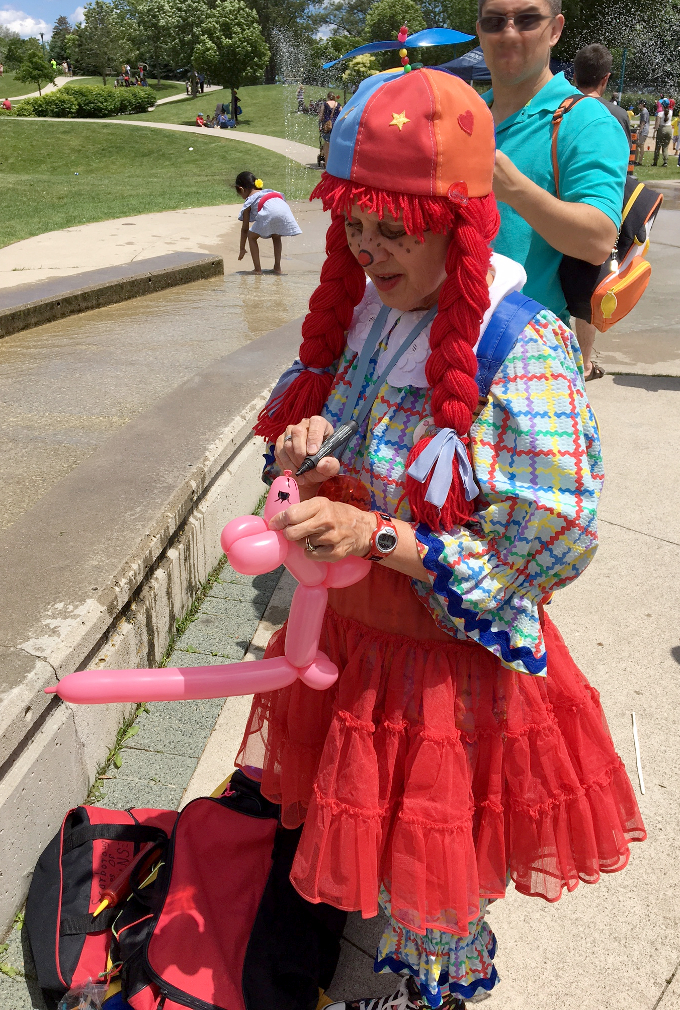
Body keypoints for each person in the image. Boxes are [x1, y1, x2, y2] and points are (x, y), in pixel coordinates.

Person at [236, 67, 645, 1010]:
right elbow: (331, 455)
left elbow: (547, 543)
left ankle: (438, 990)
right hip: (354, 647)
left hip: (444, 665)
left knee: (437, 864)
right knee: (374, 834)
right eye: (356, 226)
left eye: (394, 230)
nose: (368, 251)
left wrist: (374, 534)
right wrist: (305, 459)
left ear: (456, 226)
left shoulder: (521, 347)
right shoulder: (370, 318)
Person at [477, 0, 629, 385]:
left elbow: (597, 240)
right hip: (442, 343)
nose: (509, 33)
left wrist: (515, 190)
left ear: (555, 29)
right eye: (494, 22)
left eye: (527, 19)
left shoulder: (586, 121)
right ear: (480, 31)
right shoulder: (465, 115)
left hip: (526, 360)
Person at [570, 43, 631, 381]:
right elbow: (623, 178)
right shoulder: (616, 115)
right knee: (588, 298)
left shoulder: (560, 108)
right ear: (605, 78)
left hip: (556, 214)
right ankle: (583, 363)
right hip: (595, 219)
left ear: (574, 74)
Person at [235, 171, 301, 274]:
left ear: (241, 189)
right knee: (276, 235)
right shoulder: (269, 192)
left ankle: (257, 269)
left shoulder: (250, 200)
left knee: (251, 236)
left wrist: (242, 248)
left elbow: (245, 229)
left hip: (271, 212)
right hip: (283, 209)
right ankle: (277, 267)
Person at [319, 91, 341, 165]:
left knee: (327, 144)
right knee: (335, 144)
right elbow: (342, 115)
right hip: (336, 127)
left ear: (328, 97)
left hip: (327, 127)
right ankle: (335, 162)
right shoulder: (338, 105)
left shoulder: (325, 104)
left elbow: (321, 116)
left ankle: (327, 163)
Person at [653, 98, 673, 166]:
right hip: (669, 129)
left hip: (662, 129)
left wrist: (654, 132)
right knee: (665, 146)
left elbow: (657, 124)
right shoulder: (671, 112)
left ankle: (655, 161)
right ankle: (665, 161)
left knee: (658, 146)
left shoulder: (660, 114)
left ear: (662, 105)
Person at [636, 100, 650, 164]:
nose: (638, 105)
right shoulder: (644, 111)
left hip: (644, 130)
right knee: (638, 145)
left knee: (640, 145)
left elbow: (643, 122)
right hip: (644, 130)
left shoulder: (644, 112)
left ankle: (640, 161)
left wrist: (640, 131)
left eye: (639, 104)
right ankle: (636, 160)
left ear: (642, 104)